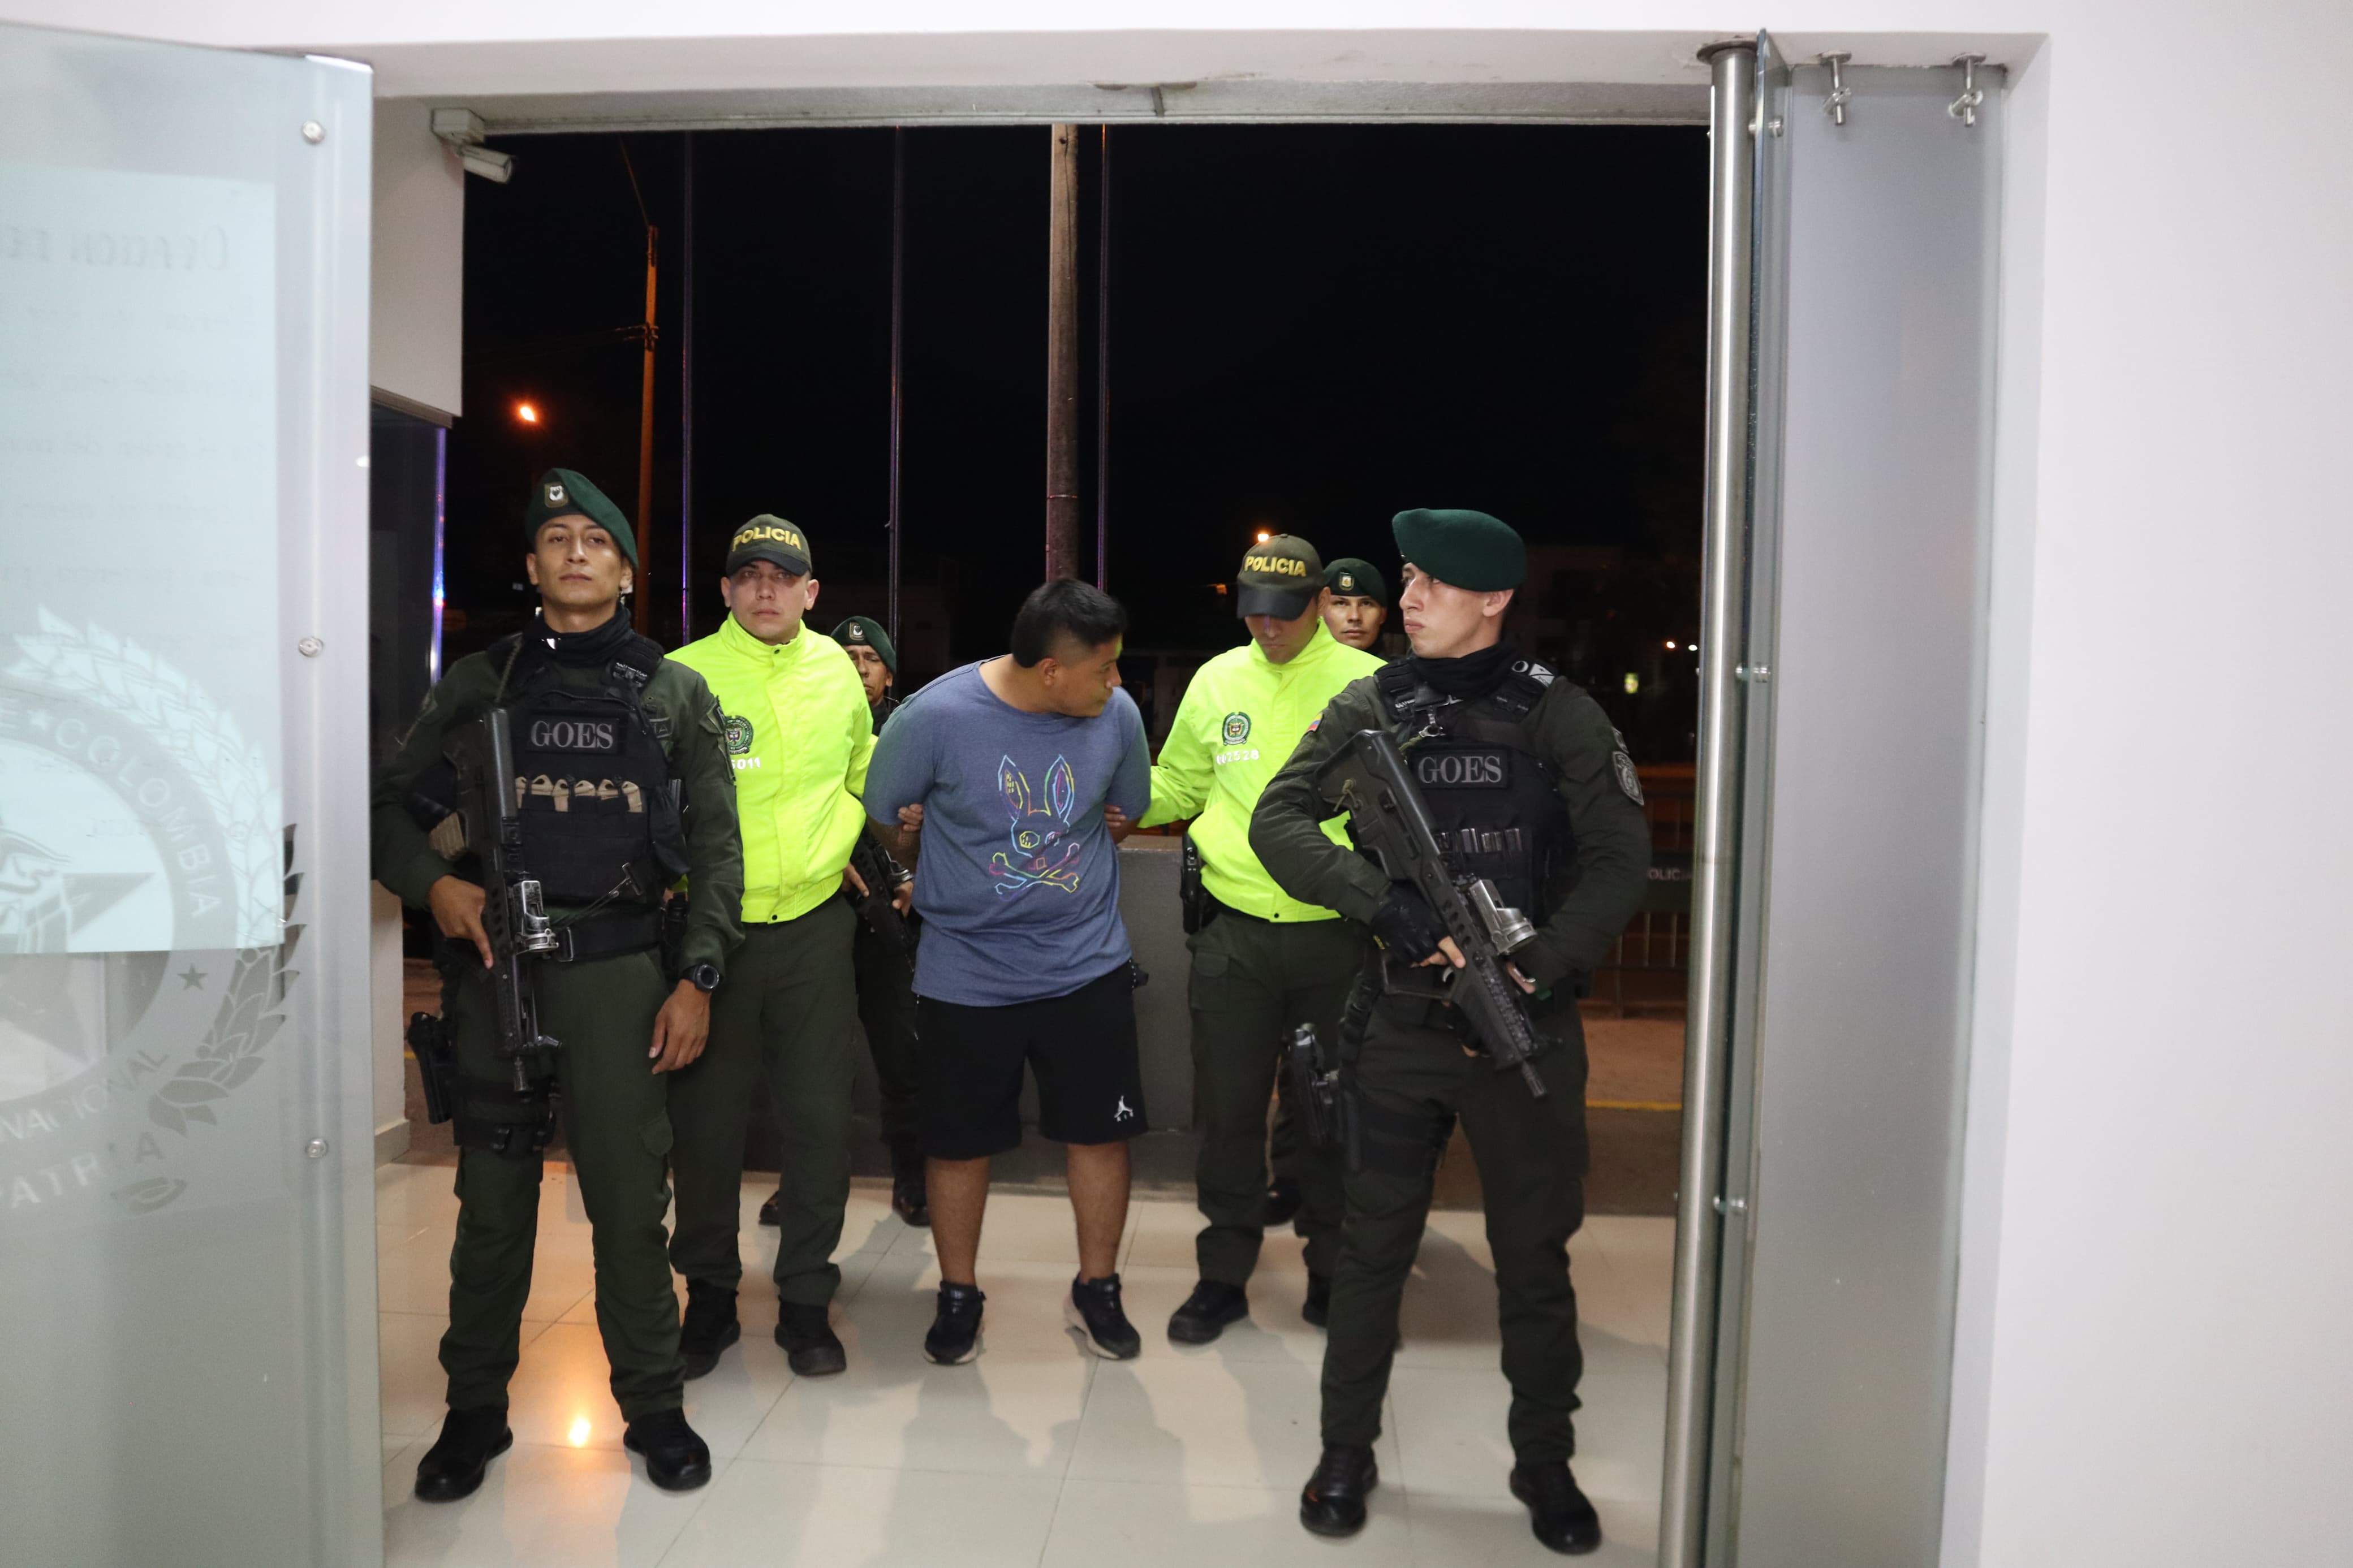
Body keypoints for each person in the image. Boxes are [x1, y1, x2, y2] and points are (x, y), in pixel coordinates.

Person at [1251, 509, 1651, 1555]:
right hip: (1400, 1024)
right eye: (1407, 578)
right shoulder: (1371, 699)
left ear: (1494, 598)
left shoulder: (1560, 716)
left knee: (1534, 1255)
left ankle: (1544, 1458)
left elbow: (1617, 861)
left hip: (1530, 1026)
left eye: (1430, 582)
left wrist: (1539, 962)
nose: (1408, 598)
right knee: (1370, 1244)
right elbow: (1279, 819)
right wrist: (1386, 907)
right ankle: (1346, 1450)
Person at [372, 468, 743, 1498]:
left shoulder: (673, 691)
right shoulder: (480, 682)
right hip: (496, 975)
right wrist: (438, 886)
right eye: (555, 538)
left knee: (630, 1205)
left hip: (624, 977)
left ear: (626, 570)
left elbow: (718, 849)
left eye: (596, 539)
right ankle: (473, 1412)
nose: (575, 551)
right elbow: (387, 808)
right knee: (491, 1204)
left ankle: (656, 1408)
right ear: (532, 566)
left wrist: (698, 976)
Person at [863, 580, 1153, 1364]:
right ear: (1052, 670)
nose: (1118, 682)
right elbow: (888, 821)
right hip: (965, 971)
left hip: (1086, 964)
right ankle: (958, 1293)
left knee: (1102, 1134)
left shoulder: (1115, 717)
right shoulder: (935, 719)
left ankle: (1099, 1287)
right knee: (956, 1143)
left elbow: (1124, 816)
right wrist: (923, 856)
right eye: (1105, 667)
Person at [1135, 534, 1382, 1344]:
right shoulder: (1217, 679)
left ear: (1317, 603)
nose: (1266, 629)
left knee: (1329, 1116)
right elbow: (1179, 783)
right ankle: (1222, 1275)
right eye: (1252, 614)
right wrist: (1116, 798)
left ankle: (1332, 1271)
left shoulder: (1367, 683)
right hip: (1233, 938)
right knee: (1231, 1117)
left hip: (1334, 941)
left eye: (1282, 614)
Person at [663, 516, 877, 1380]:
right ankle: (710, 1295)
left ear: (811, 592)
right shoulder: (683, 674)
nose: (765, 590)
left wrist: (848, 840)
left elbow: (861, 769)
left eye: (782, 578)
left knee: (821, 1123)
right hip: (713, 937)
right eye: (748, 575)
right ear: (724, 589)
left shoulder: (838, 671)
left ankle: (804, 1300)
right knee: (707, 1128)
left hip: (817, 933)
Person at [1319, 558, 1392, 654]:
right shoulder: (1299, 668)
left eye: (1366, 604)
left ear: (1383, 615)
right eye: (1341, 603)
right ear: (1320, 610)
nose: (1355, 616)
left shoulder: (1401, 670)